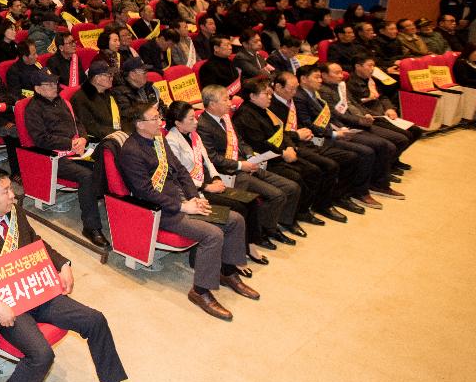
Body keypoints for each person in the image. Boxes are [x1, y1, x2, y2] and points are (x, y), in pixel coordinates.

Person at [0, 167, 152, 382]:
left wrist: (61, 263)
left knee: (94, 320)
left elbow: (36, 243)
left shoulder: (14, 213)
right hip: (6, 303)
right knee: (42, 354)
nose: (14, 195)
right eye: (6, 191)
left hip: (36, 289)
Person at [119, 102, 257, 319]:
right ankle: (200, 291)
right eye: (154, 119)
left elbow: (181, 171)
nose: (160, 122)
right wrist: (183, 206)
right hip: (160, 211)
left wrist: (195, 196)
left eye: (159, 117)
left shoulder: (158, 139)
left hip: (182, 200)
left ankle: (228, 272)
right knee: (213, 234)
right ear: (139, 124)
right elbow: (145, 192)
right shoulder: (130, 151)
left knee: (236, 219)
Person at [196, 85, 303, 252]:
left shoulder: (225, 118)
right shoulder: (203, 124)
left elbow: (241, 142)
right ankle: (261, 232)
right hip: (230, 172)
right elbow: (212, 158)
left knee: (291, 187)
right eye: (225, 100)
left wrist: (249, 156)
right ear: (211, 104)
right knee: (277, 195)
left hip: (246, 164)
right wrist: (241, 165)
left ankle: (275, 224)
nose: (230, 103)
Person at [231, 77, 333, 227]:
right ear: (252, 96)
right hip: (267, 159)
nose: (270, 97)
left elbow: (281, 131)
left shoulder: (265, 110)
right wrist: (283, 153)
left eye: (270, 94)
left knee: (314, 171)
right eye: (266, 94)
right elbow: (260, 144)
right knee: (297, 178)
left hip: (282, 152)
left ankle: (302, 210)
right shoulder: (245, 115)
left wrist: (290, 146)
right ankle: (289, 218)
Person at [293, 65, 404, 200]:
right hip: (317, 139)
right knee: (365, 152)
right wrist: (335, 134)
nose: (320, 81)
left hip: (335, 130)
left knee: (381, 145)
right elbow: (308, 125)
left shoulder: (314, 94)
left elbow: (334, 114)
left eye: (320, 77)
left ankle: (375, 185)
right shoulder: (299, 97)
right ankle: (358, 191)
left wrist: (349, 125)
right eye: (316, 77)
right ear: (304, 79)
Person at [23, 73, 108, 248]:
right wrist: (70, 143)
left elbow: (79, 123)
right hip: (52, 157)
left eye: (54, 83)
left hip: (77, 149)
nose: (54, 87)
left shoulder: (62, 101)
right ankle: (91, 227)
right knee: (86, 175)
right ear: (37, 89)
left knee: (108, 162)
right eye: (48, 85)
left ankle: (102, 203)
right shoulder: (33, 109)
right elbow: (41, 139)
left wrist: (83, 139)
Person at [268, 71, 367, 216]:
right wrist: (297, 135)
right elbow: (274, 134)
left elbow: (308, 123)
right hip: (292, 145)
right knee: (328, 166)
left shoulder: (294, 100)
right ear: (278, 87)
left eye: (296, 88)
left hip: (310, 140)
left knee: (351, 157)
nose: (295, 92)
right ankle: (322, 205)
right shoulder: (271, 105)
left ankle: (339, 196)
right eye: (291, 89)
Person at [70, 59, 121, 140]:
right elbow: (90, 127)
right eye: (109, 75)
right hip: (100, 140)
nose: (112, 78)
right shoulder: (80, 98)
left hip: (115, 134)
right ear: (97, 78)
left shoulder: (109, 92)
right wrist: (118, 134)